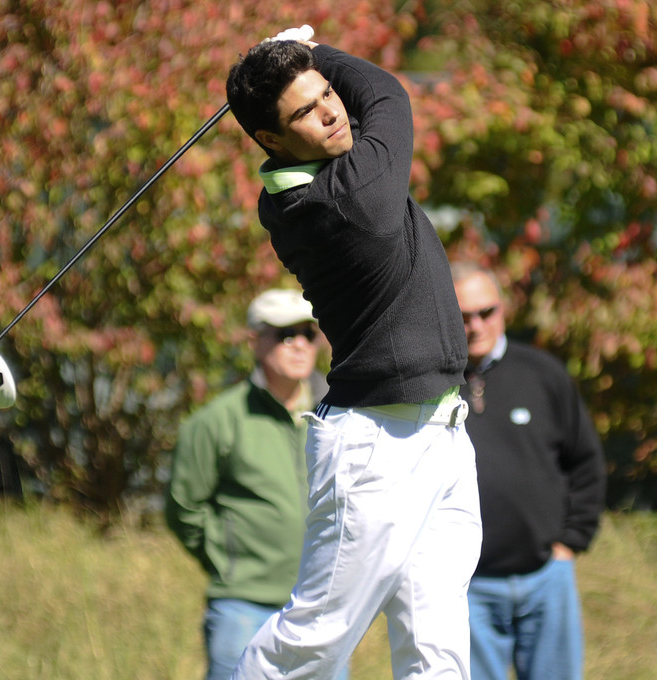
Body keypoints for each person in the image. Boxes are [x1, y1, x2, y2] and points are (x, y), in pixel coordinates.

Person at [223, 25, 482, 680]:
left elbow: (365, 103)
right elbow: (389, 96)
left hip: (443, 435)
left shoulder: (316, 179)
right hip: (377, 448)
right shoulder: (345, 199)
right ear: (271, 140)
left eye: (326, 94)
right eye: (304, 112)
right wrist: (320, 53)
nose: (330, 111)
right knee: (313, 643)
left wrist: (309, 67)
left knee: (438, 650)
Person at [165, 288, 346, 680]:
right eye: (284, 334)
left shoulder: (341, 418)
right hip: (243, 608)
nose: (299, 344)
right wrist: (228, 560)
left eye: (308, 333)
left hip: (323, 609)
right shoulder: (217, 421)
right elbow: (183, 507)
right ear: (254, 340)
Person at [450, 261, 607, 680]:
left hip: (545, 578)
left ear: (504, 310)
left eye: (487, 312)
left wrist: (569, 543)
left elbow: (586, 461)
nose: (476, 325)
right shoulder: (429, 385)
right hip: (466, 588)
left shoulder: (544, 374)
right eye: (463, 316)